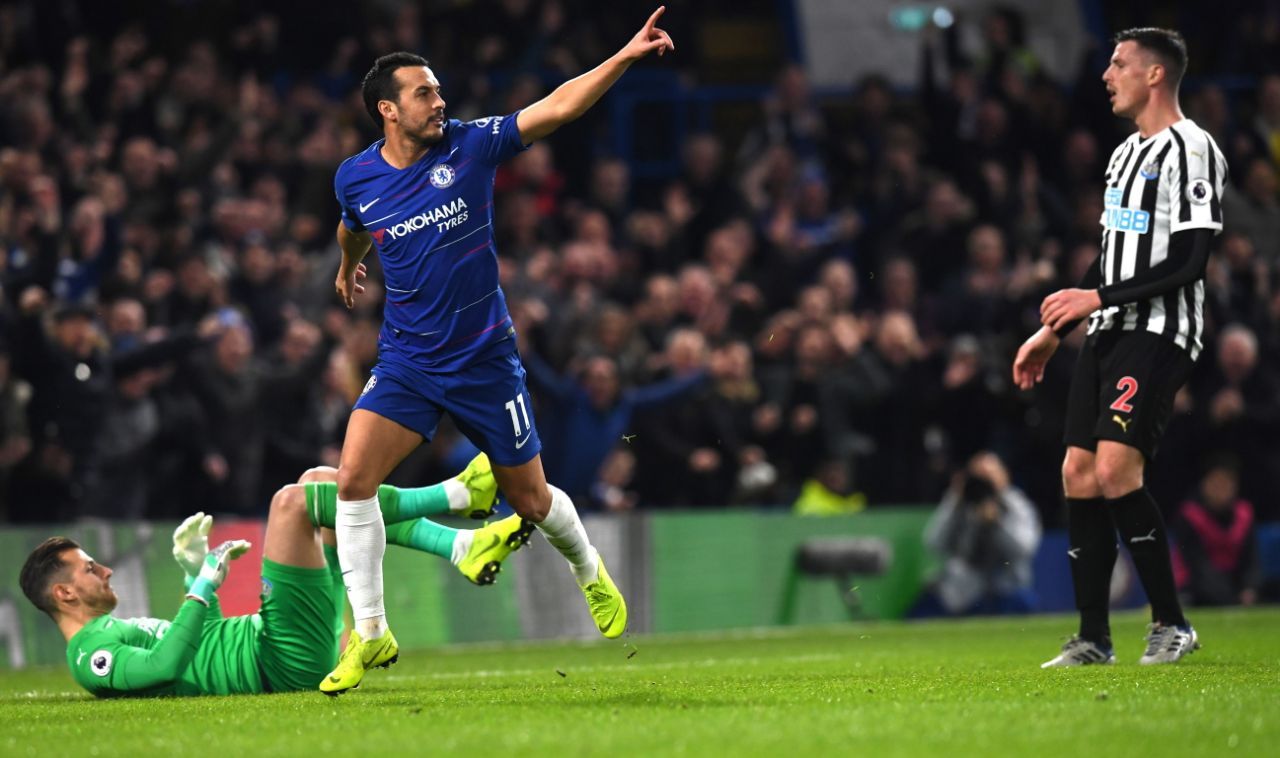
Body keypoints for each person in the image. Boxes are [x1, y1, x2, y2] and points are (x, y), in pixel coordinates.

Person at [326, 7, 675, 693]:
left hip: (486, 361)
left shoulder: (469, 146)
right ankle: (370, 633)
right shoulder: (354, 177)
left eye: (438, 89)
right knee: (351, 483)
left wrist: (624, 56)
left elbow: (555, 107)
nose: (440, 100)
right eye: (424, 92)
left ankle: (588, 571)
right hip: (408, 361)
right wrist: (347, 265)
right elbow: (352, 226)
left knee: (534, 500)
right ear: (387, 111)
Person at [1013, 28, 1227, 667]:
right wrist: (1052, 332)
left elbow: (1192, 261)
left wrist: (1095, 301)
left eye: (1118, 63)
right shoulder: (1124, 156)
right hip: (1109, 331)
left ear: (1155, 75)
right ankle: (1093, 639)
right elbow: (1109, 259)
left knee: (1115, 470)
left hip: (1160, 331)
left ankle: (1172, 624)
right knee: (1078, 473)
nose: (1107, 74)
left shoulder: (1192, 149)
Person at [17, 457, 530, 698]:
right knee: (290, 503)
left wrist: (195, 569)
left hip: (274, 644)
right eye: (89, 569)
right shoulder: (90, 657)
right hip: (278, 659)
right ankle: (454, 497)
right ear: (63, 593)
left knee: (321, 482)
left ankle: (460, 545)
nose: (104, 570)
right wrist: (200, 588)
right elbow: (163, 669)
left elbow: (203, 643)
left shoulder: (106, 633)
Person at [913, 453, 1041, 616]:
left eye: (988, 477)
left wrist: (997, 522)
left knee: (1023, 601)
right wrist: (955, 500)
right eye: (978, 477)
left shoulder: (1016, 505)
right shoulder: (960, 505)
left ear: (1004, 476)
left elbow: (1024, 549)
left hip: (1008, 589)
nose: (984, 484)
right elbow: (934, 543)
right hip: (964, 593)